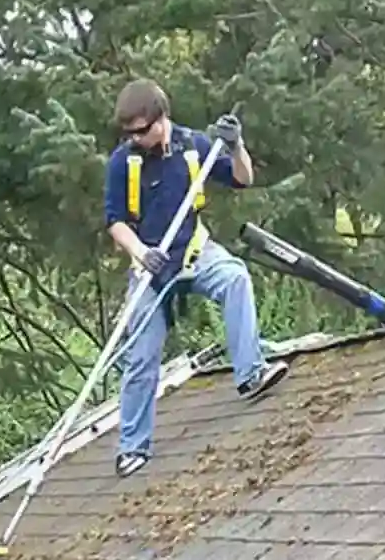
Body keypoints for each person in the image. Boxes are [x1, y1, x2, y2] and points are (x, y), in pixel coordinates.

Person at [103, 78, 288, 477]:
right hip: (148, 263)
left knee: (235, 277)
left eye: (140, 131)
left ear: (160, 119)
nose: (134, 139)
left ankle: (250, 373)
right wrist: (141, 253)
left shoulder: (194, 147)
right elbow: (115, 223)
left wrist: (236, 145)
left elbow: (242, 178)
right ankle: (133, 447)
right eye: (128, 132)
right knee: (142, 355)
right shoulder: (123, 162)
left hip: (192, 251)